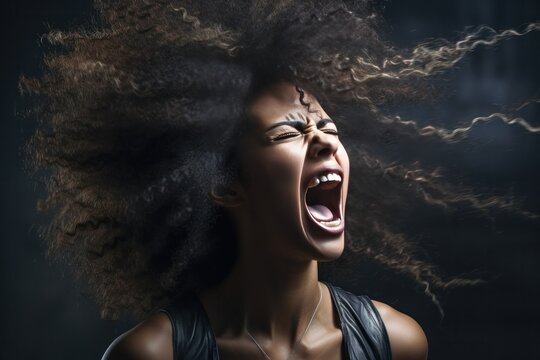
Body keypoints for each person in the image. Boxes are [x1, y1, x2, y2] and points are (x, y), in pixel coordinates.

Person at [25, 0, 531, 359]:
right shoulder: (154, 353)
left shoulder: (396, 343)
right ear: (225, 183)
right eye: (291, 131)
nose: (324, 140)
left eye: (329, 128)